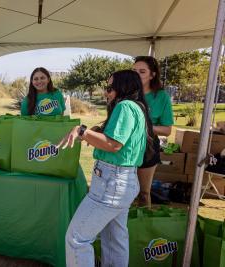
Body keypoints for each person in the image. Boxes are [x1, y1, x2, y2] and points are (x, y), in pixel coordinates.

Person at [58, 70, 154, 267]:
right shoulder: (137, 107)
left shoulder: (125, 106)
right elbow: (117, 142)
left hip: (111, 184)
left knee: (77, 239)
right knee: (114, 241)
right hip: (122, 182)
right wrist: (95, 133)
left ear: (123, 87)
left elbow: (113, 144)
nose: (106, 93)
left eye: (110, 88)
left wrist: (81, 131)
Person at [132, 56, 174, 208]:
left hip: (147, 148)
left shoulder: (161, 97)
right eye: (134, 71)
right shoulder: (126, 93)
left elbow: (168, 130)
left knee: (143, 193)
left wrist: (144, 126)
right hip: (124, 147)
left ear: (152, 75)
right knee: (123, 192)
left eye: (142, 71)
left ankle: (144, 228)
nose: (137, 75)